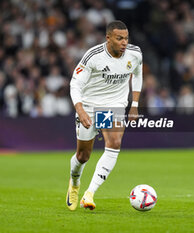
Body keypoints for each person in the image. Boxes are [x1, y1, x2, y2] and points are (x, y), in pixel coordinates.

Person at [66, 20, 143, 210]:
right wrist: (80, 109)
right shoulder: (93, 56)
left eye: (126, 38)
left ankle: (89, 193)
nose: (124, 42)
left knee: (114, 143)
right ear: (108, 38)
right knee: (83, 155)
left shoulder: (135, 54)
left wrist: (134, 104)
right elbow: (75, 84)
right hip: (90, 105)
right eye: (119, 38)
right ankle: (75, 183)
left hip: (113, 105)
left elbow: (138, 74)